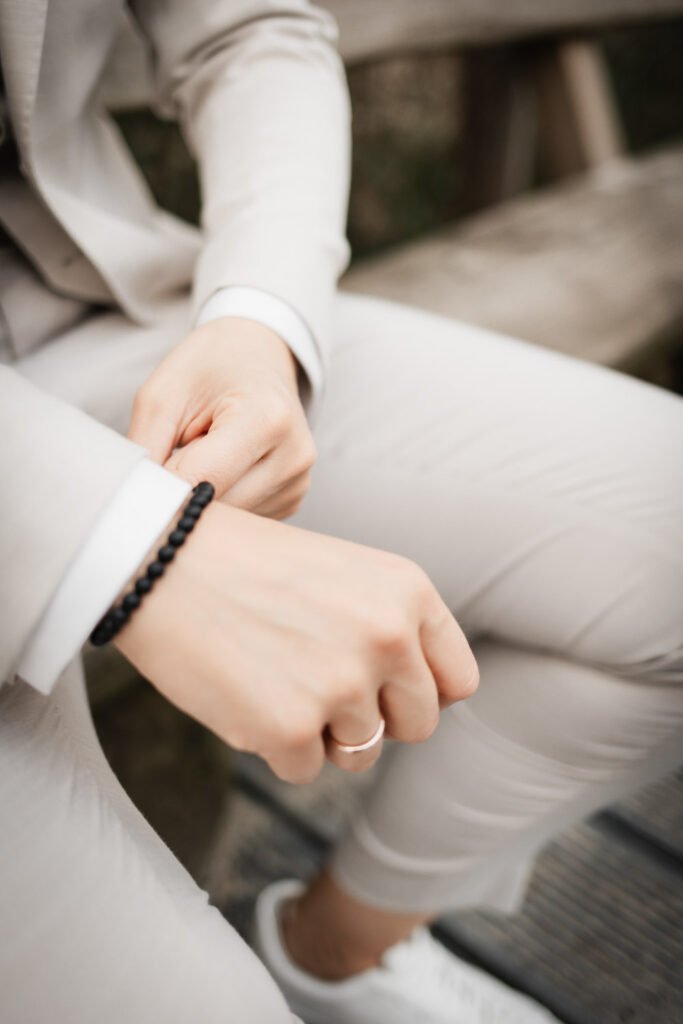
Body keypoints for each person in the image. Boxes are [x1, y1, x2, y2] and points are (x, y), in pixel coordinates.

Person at [1, 1, 682, 1021]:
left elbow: (251, 27)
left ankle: (334, 957)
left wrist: (257, 321)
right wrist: (129, 545)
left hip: (85, 316)